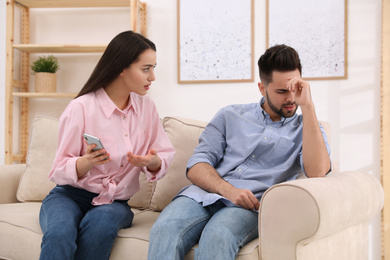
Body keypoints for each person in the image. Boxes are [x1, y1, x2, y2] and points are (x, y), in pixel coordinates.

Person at [148, 44, 331, 260]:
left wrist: (308, 105)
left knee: (218, 235)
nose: (291, 98)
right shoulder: (230, 115)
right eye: (282, 91)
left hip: (249, 206)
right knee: (164, 229)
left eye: (295, 89)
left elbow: (318, 172)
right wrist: (229, 191)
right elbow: (197, 165)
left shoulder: (308, 128)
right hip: (201, 196)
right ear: (262, 88)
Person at [39, 30, 175, 260]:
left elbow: (162, 154)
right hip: (68, 196)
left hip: (115, 202)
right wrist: (85, 163)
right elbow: (58, 169)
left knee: (99, 228)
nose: (152, 77)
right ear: (122, 68)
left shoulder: (146, 108)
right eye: (146, 68)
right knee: (60, 233)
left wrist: (153, 162)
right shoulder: (80, 108)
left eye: (154, 68)